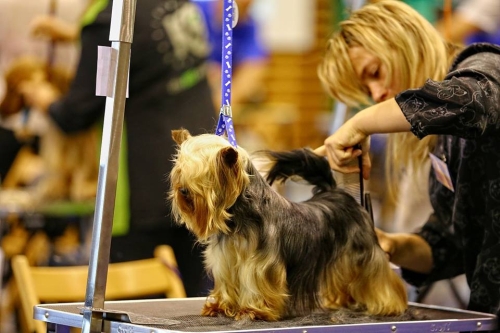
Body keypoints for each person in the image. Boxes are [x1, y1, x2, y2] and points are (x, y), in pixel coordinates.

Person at [315, 0, 500, 316]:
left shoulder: (484, 68)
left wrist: (359, 122)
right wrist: (392, 245)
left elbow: (474, 101)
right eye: (366, 91)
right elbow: (449, 246)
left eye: (375, 73)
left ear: (402, 42)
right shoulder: (443, 146)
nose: (375, 95)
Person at [21, 0, 216, 297]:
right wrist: (78, 35)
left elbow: (77, 112)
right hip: (203, 174)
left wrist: (44, 99)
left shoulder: (106, 22)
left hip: (143, 189)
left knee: (138, 310)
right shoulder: (176, 2)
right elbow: (147, 51)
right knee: (194, 303)